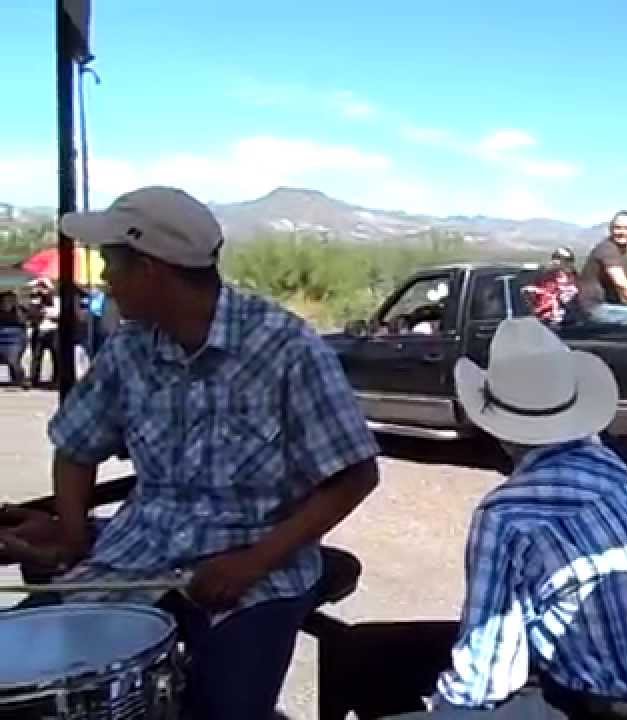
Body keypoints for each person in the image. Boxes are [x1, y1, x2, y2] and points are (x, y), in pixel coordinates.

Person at [0, 186, 382, 720]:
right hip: (137, 554)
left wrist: (255, 561)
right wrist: (69, 532)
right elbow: (75, 447)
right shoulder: (131, 348)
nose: (105, 278)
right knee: (23, 680)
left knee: (223, 711)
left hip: (260, 565)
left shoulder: (286, 347)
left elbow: (354, 475)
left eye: (112, 263)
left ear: (151, 270)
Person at [387, 317, 627, 719]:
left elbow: (484, 674)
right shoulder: (615, 472)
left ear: (498, 425)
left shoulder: (507, 513)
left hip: (573, 703)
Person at [576, 211, 627, 326]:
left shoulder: (626, 252)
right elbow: (621, 283)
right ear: (610, 229)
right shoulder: (607, 249)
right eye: (618, 228)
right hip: (594, 308)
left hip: (610, 305)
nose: (622, 232)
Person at [523, 246, 580, 325]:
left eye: (568, 259)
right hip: (546, 315)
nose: (559, 261)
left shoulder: (573, 276)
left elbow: (575, 292)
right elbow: (533, 291)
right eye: (557, 257)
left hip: (568, 316)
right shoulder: (543, 274)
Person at [27, 277, 59, 387]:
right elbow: (31, 316)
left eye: (44, 287)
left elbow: (60, 315)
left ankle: (56, 379)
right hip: (39, 330)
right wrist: (38, 308)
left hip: (53, 330)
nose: (42, 290)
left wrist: (50, 313)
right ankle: (33, 379)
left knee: (56, 356)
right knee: (36, 356)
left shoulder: (57, 300)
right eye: (40, 287)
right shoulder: (35, 301)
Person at [0, 291, 29, 388]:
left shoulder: (20, 310)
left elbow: (23, 322)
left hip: (15, 339)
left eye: (10, 300)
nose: (6, 303)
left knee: (13, 360)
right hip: (2, 338)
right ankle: (16, 379)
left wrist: (17, 309)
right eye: (4, 301)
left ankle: (20, 379)